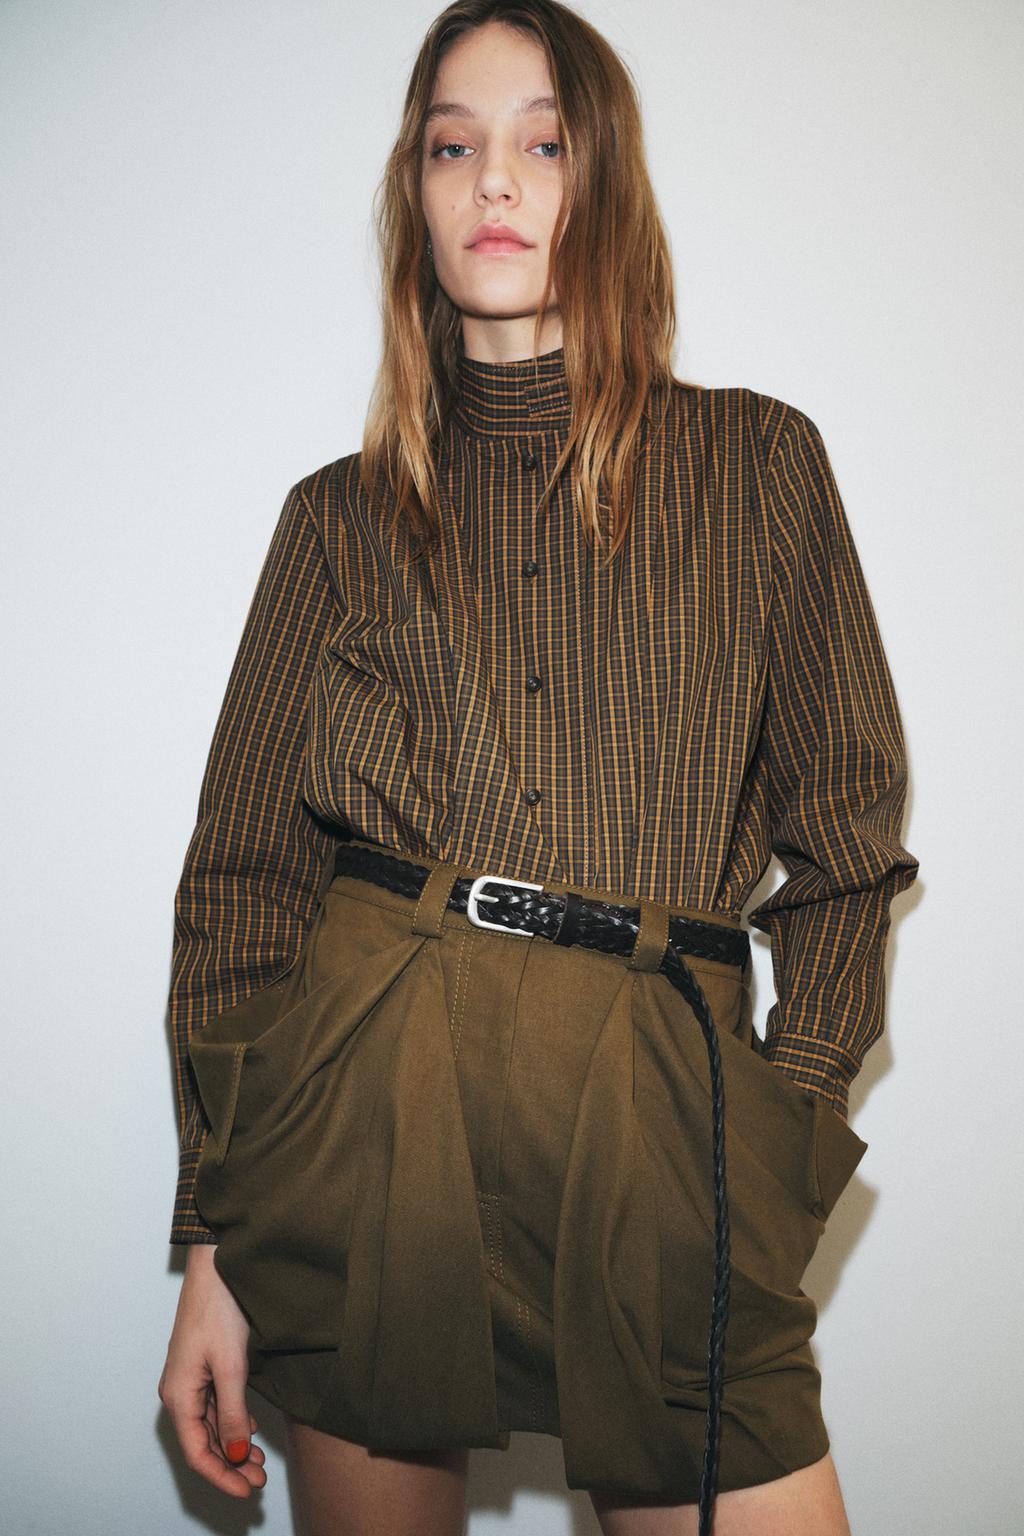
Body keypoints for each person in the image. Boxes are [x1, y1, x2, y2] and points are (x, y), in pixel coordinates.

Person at [157, 4, 919, 1534]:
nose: (494, 180)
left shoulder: (760, 466)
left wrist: (781, 1132)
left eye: (542, 142)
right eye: (454, 144)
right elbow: (243, 887)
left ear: (604, 186)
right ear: (417, 195)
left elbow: (849, 846)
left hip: (661, 1119)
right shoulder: (335, 520)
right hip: (374, 1120)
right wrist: (214, 1249)